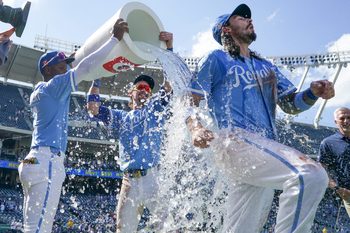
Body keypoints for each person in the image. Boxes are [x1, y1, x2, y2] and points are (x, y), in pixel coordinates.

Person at [186, 4, 335, 233]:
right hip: (234, 140)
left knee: (242, 228)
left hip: (262, 148)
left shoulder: (266, 66)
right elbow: (190, 98)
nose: (249, 19)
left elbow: (290, 105)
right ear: (225, 29)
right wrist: (195, 127)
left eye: (249, 16)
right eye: (240, 17)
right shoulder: (216, 58)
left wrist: (312, 93)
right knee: (311, 175)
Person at [18, 18, 130, 233]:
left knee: (31, 227)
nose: (67, 69)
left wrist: (95, 76)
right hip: (47, 161)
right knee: (40, 230)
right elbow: (86, 67)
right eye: (62, 66)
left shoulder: (41, 91)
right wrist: (114, 38)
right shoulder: (54, 86)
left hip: (34, 159)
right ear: (48, 69)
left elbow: (84, 67)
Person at [87, 33, 173, 232]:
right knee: (123, 229)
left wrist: (169, 49)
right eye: (140, 87)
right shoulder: (120, 117)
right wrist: (97, 76)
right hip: (129, 181)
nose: (144, 90)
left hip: (153, 178)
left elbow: (169, 86)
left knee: (168, 227)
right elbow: (93, 108)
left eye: (148, 89)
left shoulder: (155, 109)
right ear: (131, 92)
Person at [318, 107, 350, 217]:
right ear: (336, 122)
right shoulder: (328, 143)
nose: (346, 121)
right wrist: (337, 189)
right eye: (342, 118)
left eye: (349, 117)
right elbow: (322, 170)